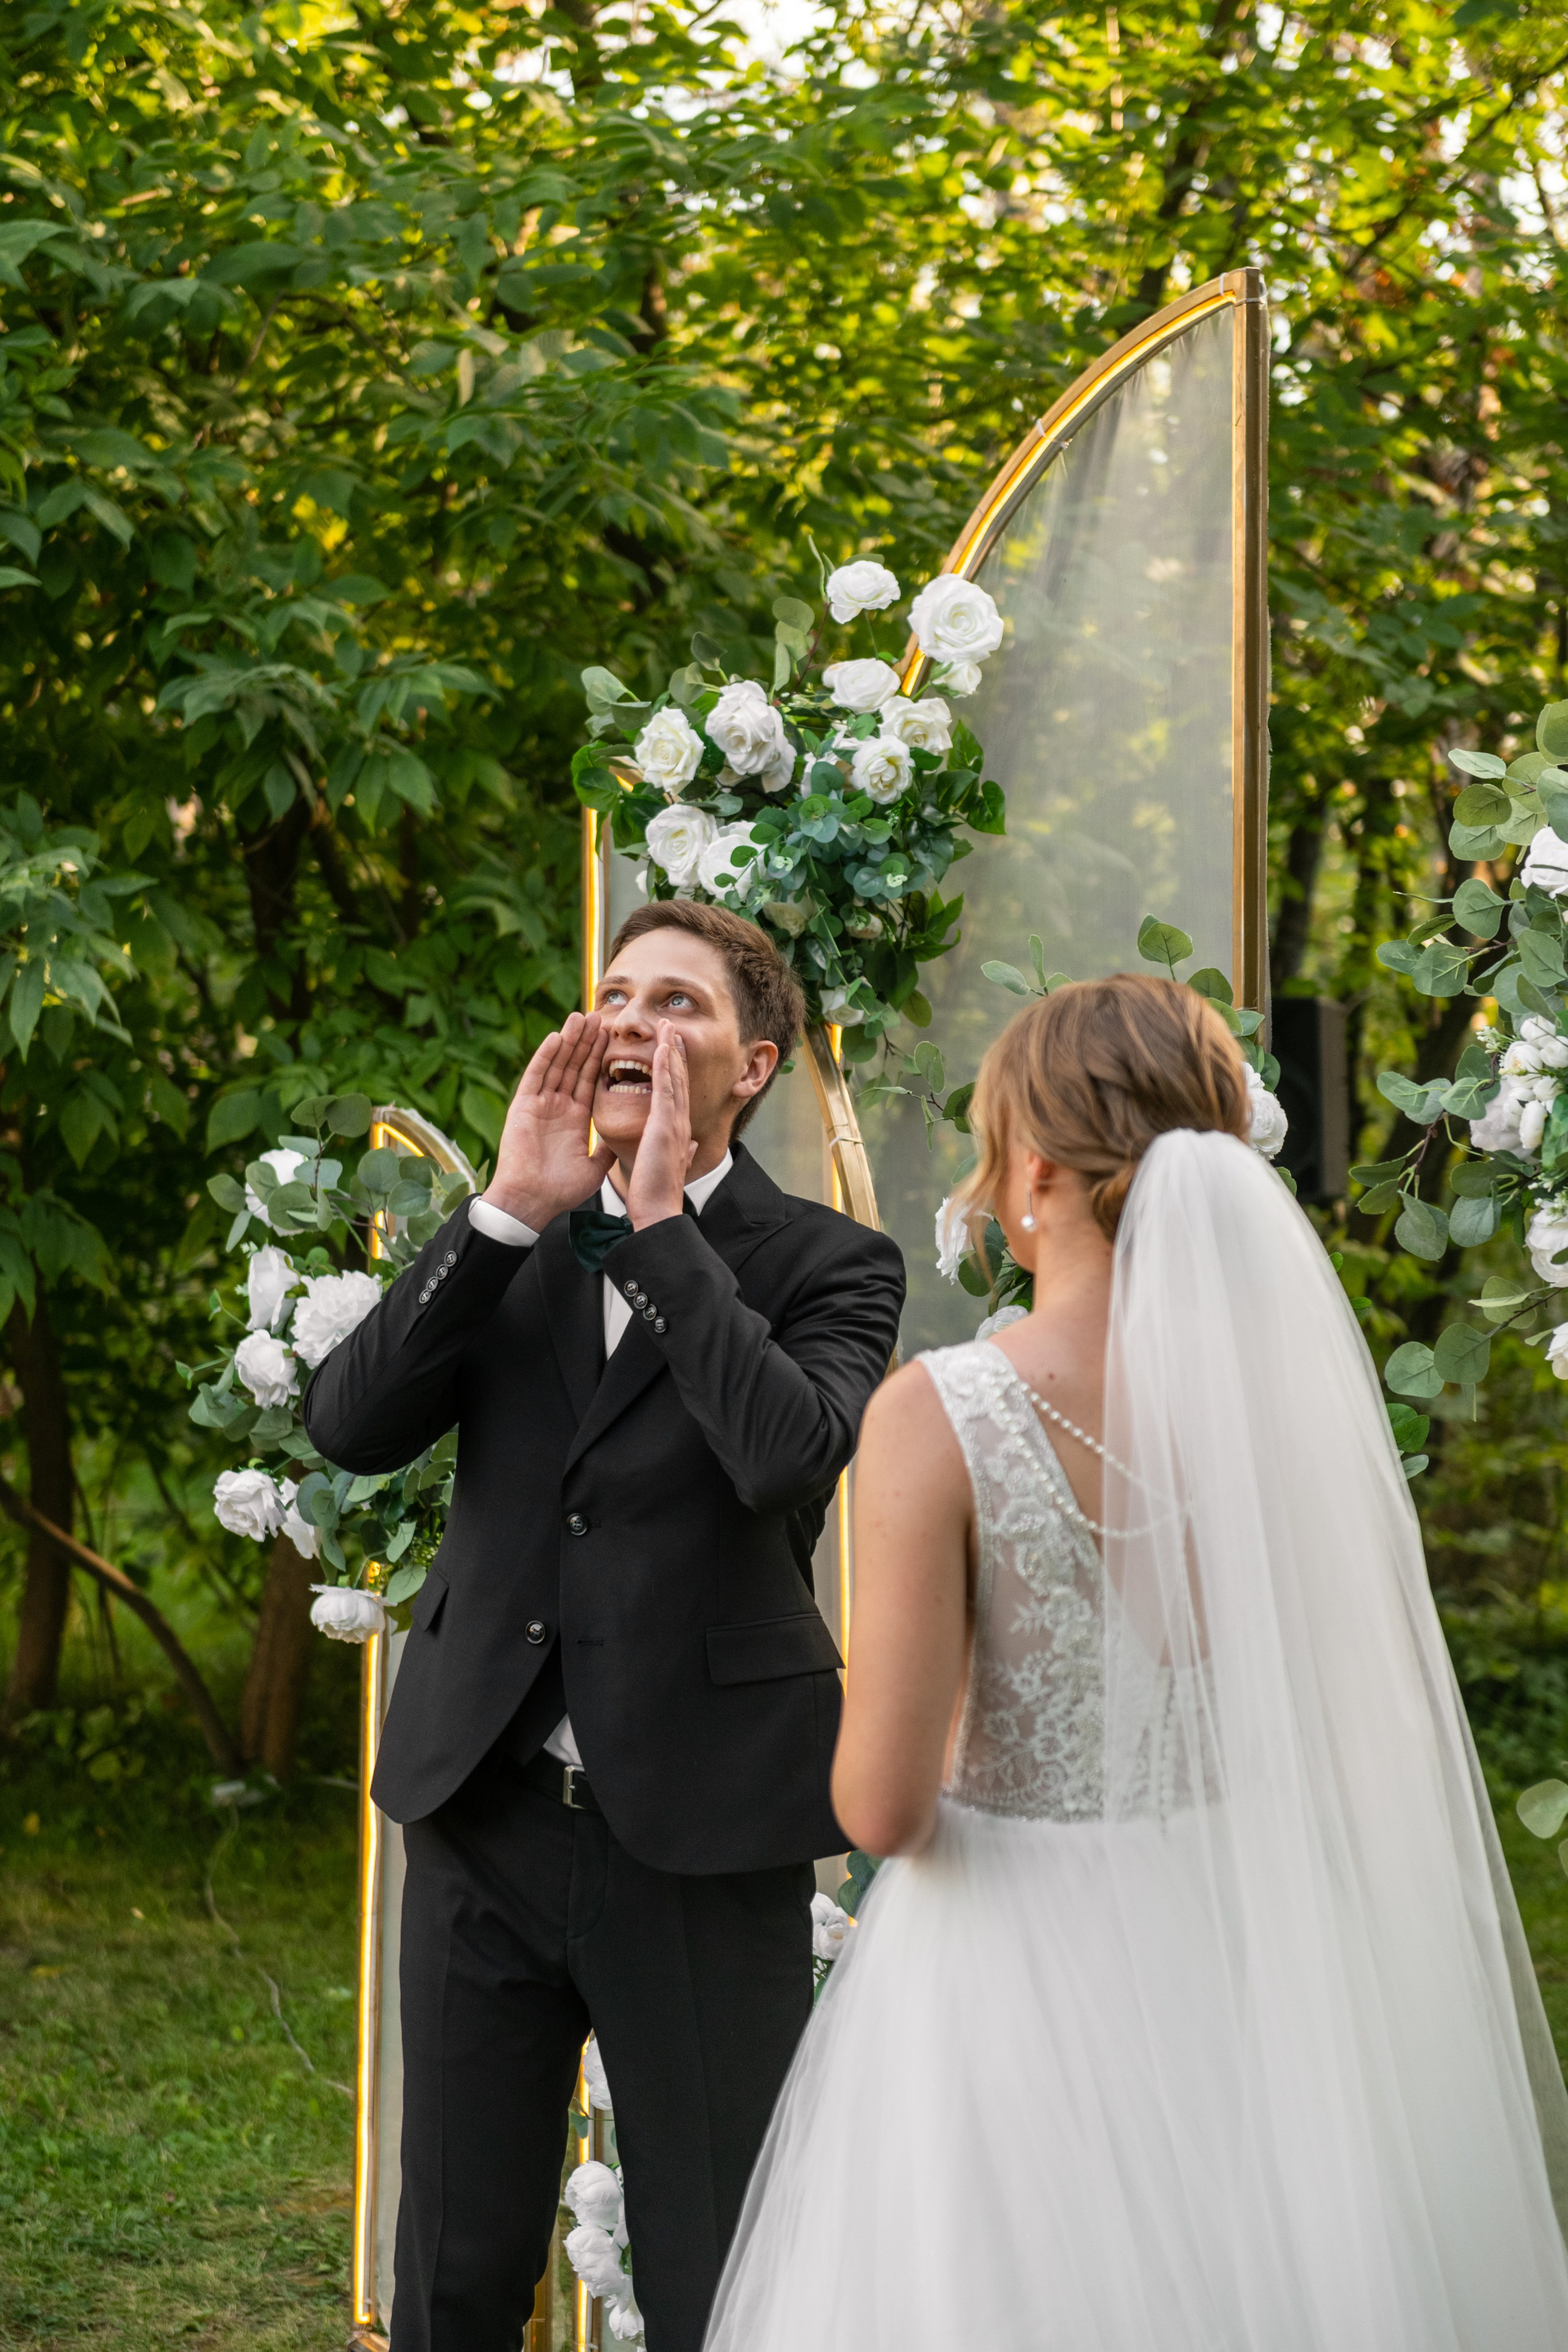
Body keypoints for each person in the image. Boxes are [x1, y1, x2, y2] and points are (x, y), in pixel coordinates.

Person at [704, 972, 1568, 2352]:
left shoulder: (942, 1415)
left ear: (1034, 1169)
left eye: (993, 1155)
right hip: (1246, 1952)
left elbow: (880, 1810)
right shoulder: (1287, 1415)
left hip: (1006, 1980)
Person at [304, 900, 905, 2352]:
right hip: (482, 1808)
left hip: (703, 1827)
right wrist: (510, 1207)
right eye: (616, 994)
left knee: (722, 2277)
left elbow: (782, 1455)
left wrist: (651, 1223)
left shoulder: (833, 1264)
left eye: (680, 1005)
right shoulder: (514, 1235)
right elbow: (349, 1426)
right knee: (453, 2271)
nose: (634, 1020)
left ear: (752, 1064)